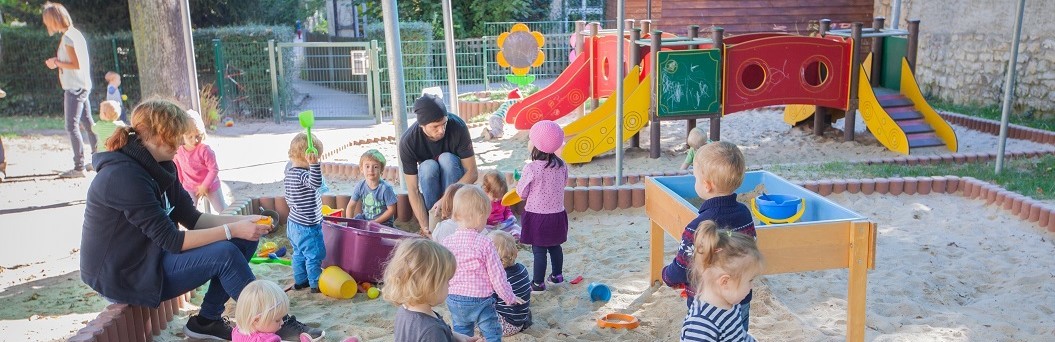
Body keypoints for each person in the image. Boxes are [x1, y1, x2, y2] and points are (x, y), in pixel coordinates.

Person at [80, 99, 323, 340]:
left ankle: (207, 321)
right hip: (124, 274)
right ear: (156, 134)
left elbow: (193, 219)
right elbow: (172, 240)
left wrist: (246, 221)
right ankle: (270, 319)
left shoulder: (161, 166)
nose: (182, 141)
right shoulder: (123, 177)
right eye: (176, 134)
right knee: (225, 253)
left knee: (244, 240)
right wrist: (232, 229)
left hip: (152, 257)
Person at [663, 141, 756, 331]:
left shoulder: (697, 227)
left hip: (706, 308)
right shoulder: (745, 215)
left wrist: (666, 275)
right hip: (740, 300)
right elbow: (751, 252)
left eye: (696, 178)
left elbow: (681, 268)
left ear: (707, 185)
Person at [440, 185, 524, 341]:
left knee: (462, 332)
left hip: (453, 298)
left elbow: (443, 271)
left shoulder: (447, 242)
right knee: (492, 332)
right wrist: (509, 297)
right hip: (480, 300)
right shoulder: (485, 243)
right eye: (486, 217)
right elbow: (497, 276)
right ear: (479, 217)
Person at [399, 94, 479, 234]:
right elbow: (413, 190)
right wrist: (424, 226)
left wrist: (445, 199)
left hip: (454, 186)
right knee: (427, 166)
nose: (441, 130)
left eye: (444, 124)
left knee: (447, 159)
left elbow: (472, 173)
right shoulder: (408, 141)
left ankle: (453, 215)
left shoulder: (457, 126)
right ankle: (435, 219)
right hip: (432, 190)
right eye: (435, 126)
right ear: (422, 125)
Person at [383, 238, 482, 342]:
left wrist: (458, 337)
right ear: (429, 285)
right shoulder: (432, 330)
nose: (449, 285)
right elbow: (433, 333)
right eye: (446, 280)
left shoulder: (405, 310)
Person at [680, 221, 763, 342]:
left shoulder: (731, 303)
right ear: (725, 282)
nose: (751, 286)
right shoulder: (702, 323)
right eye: (749, 280)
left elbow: (739, 336)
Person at [43, 2, 97, 178]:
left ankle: (79, 167)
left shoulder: (67, 37)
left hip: (74, 88)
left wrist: (56, 63)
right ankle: (98, 161)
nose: (46, 25)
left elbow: (75, 64)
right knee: (88, 124)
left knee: (71, 126)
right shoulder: (75, 34)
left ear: (54, 19)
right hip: (82, 86)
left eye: (47, 21)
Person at [516, 120, 570, 292]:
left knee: (539, 250)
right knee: (555, 246)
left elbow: (522, 193)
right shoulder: (562, 166)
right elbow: (563, 184)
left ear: (536, 145)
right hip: (557, 214)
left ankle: (538, 283)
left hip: (537, 215)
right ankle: (557, 275)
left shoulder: (531, 168)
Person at [285, 132, 326, 293]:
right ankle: (315, 284)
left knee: (298, 253)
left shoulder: (289, 174)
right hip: (307, 226)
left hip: (293, 223)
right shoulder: (303, 175)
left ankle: (301, 280)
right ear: (309, 157)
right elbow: (316, 183)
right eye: (317, 157)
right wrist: (315, 165)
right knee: (315, 254)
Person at [174, 110, 226, 214]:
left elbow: (213, 169)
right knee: (190, 212)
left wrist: (204, 186)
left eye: (198, 135)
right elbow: (178, 170)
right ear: (182, 135)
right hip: (190, 186)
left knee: (222, 209)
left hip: (210, 184)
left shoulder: (205, 150)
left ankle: (235, 221)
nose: (195, 140)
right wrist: (180, 187)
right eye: (190, 137)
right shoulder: (178, 151)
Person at [487, 230, 532, 336]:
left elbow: (488, 301)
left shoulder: (497, 277)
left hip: (505, 325)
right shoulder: (522, 269)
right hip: (520, 321)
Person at [345, 149, 398, 227]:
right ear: (361, 169)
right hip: (366, 219)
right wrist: (349, 223)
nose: (371, 170)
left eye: (375, 167)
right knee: (357, 218)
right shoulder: (360, 186)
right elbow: (351, 206)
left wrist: (375, 222)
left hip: (383, 222)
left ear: (381, 170)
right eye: (367, 166)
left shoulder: (385, 189)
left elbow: (391, 210)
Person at [481, 170, 521, 240]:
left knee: (516, 228)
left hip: (503, 224)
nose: (497, 200)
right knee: (484, 233)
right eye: (494, 197)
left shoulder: (503, 200)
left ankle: (515, 238)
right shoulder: (483, 202)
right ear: (485, 190)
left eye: (500, 197)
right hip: (489, 226)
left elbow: (507, 211)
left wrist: (510, 217)